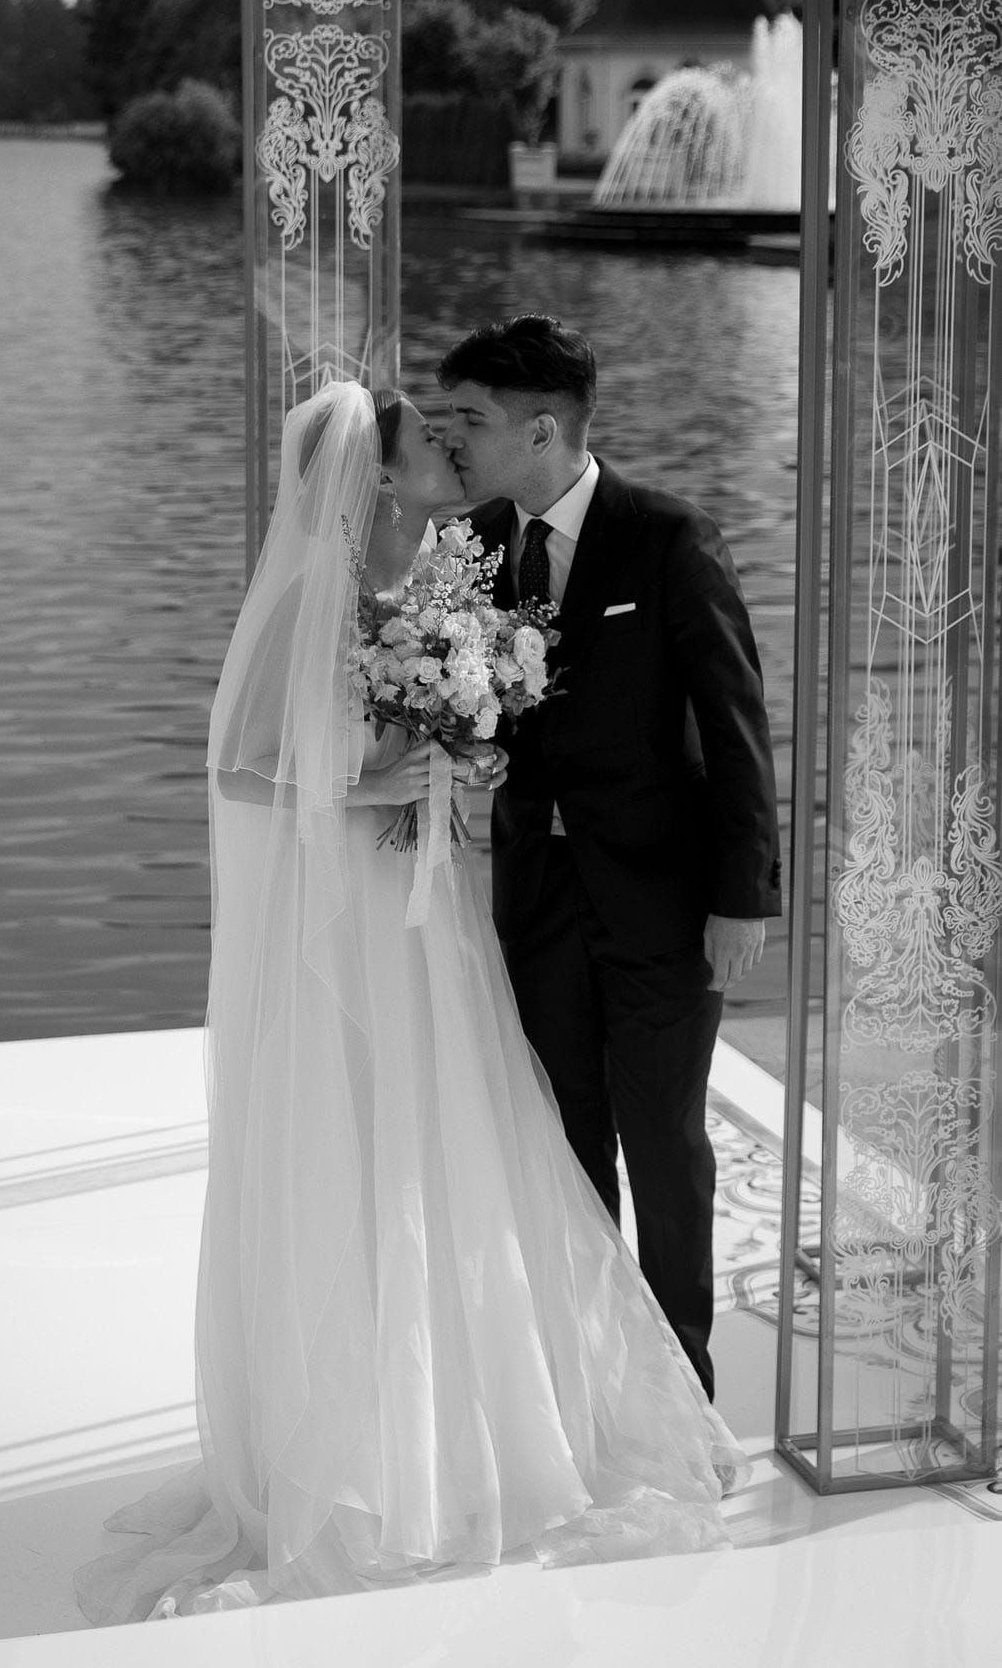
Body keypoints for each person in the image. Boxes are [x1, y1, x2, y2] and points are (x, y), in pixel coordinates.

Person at [74, 379, 748, 1626]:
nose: (447, 451)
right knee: (368, 1143)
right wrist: (374, 782)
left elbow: (472, 732)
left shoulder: (445, 575)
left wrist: (464, 748)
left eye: (453, 436)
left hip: (434, 913)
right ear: (379, 476)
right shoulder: (314, 598)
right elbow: (241, 766)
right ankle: (372, 1447)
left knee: (463, 1143)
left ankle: (495, 1414)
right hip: (360, 916)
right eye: (427, 443)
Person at [438, 315, 782, 1400]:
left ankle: (682, 1388)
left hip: (664, 906)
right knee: (565, 1141)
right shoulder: (473, 549)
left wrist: (742, 898)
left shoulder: (670, 538)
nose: (452, 439)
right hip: (535, 900)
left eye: (471, 419)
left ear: (541, 430)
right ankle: (588, 1385)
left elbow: (734, 727)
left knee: (664, 1142)